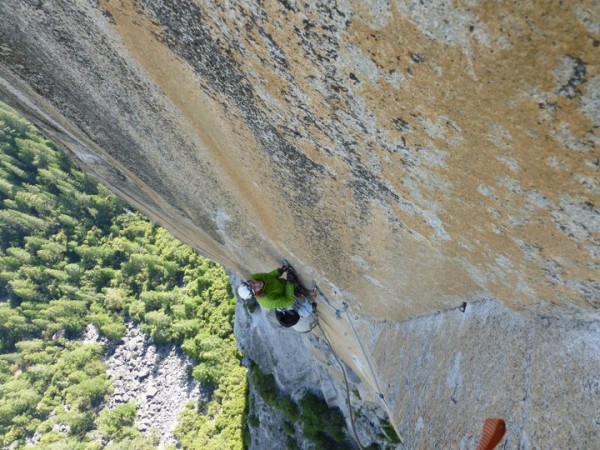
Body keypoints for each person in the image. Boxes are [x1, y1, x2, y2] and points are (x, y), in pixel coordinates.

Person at [237, 263, 314, 328]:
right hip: (285, 296)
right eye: (255, 287)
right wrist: (290, 283)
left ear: (249, 281)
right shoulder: (267, 300)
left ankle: (297, 287)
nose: (257, 283)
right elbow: (289, 301)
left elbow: (269, 276)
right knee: (305, 304)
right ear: (255, 294)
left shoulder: (254, 277)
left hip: (284, 285)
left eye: (252, 283)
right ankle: (309, 301)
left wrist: (280, 271)